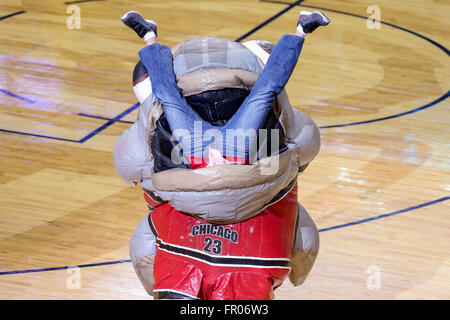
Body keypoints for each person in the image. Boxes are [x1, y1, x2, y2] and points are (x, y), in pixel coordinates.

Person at [114, 10, 330, 299]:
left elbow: (129, 163)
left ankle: (302, 29)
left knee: (254, 94)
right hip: (230, 155)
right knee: (257, 94)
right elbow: (303, 144)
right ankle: (148, 35)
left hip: (201, 157)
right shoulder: (259, 147)